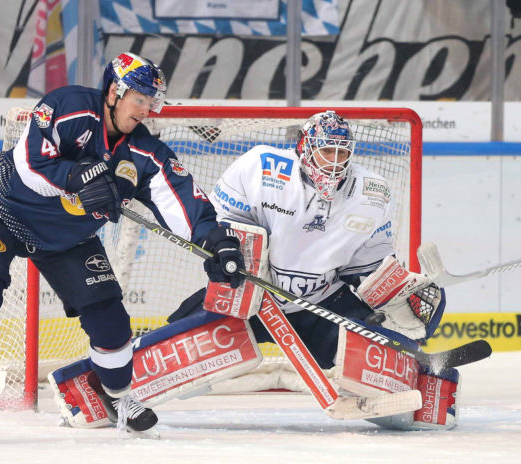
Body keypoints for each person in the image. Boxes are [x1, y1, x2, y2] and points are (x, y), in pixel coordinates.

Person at [0, 52, 245, 439]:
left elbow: (184, 202)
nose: (146, 110)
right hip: (0, 210)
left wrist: (217, 244)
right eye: (138, 99)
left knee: (110, 321)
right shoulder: (68, 105)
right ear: (113, 92)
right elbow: (30, 164)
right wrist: (77, 176)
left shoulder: (143, 153)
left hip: (67, 237)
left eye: (151, 102)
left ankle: (119, 396)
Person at [168, 111, 449, 428]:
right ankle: (112, 385)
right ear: (305, 147)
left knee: (377, 351)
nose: (335, 161)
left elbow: (367, 267)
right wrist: (223, 249)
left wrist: (400, 295)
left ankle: (429, 383)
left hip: (320, 301)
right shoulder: (262, 167)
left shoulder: (372, 193)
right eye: (327, 150)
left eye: (342, 153)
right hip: (253, 297)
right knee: (174, 343)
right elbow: (216, 224)